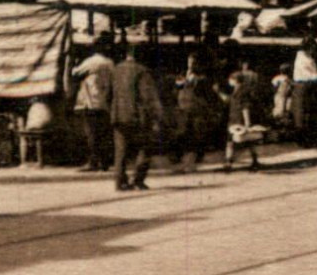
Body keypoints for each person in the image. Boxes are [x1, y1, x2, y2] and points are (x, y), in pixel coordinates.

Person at [109, 45, 162, 192]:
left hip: (118, 115)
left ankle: (119, 182)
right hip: (137, 116)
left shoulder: (116, 70)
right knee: (145, 147)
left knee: (120, 150)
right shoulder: (142, 71)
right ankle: (138, 180)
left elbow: (109, 93)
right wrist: (157, 116)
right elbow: (148, 97)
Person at [70, 40, 115, 173]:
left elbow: (75, 73)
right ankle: (104, 162)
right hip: (103, 102)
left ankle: (93, 162)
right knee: (103, 133)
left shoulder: (91, 62)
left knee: (91, 133)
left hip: (90, 102)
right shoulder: (110, 63)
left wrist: (74, 63)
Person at [173, 53, 220, 173]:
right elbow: (177, 84)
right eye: (189, 61)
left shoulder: (201, 76)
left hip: (195, 109)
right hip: (183, 108)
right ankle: (184, 161)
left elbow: (204, 89)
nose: (190, 64)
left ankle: (191, 162)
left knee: (194, 135)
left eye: (192, 62)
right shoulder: (183, 73)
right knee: (183, 133)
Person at [224, 56, 268, 173]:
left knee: (232, 141)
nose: (229, 81)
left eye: (230, 79)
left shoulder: (241, 92)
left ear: (235, 80)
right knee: (245, 142)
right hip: (235, 119)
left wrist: (247, 122)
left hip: (238, 120)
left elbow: (245, 107)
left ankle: (229, 162)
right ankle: (252, 160)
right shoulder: (237, 91)